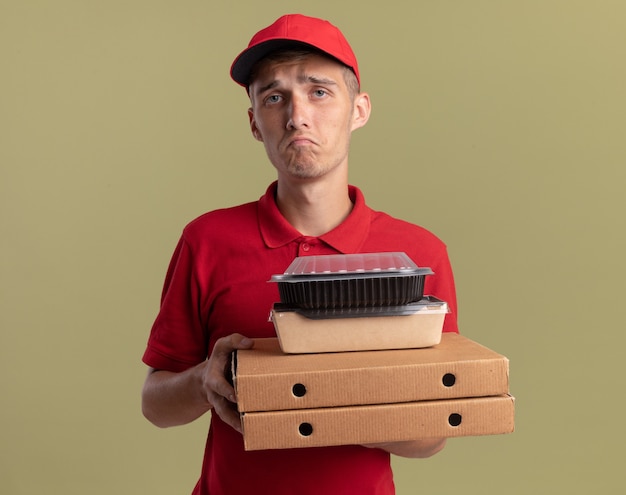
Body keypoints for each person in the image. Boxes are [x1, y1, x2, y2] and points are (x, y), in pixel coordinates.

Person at [141, 13, 458, 495]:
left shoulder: (416, 254)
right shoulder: (206, 240)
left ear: (359, 110)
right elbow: (155, 405)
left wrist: (344, 400)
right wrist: (205, 379)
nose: (296, 115)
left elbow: (433, 435)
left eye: (319, 91)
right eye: (274, 97)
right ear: (254, 122)